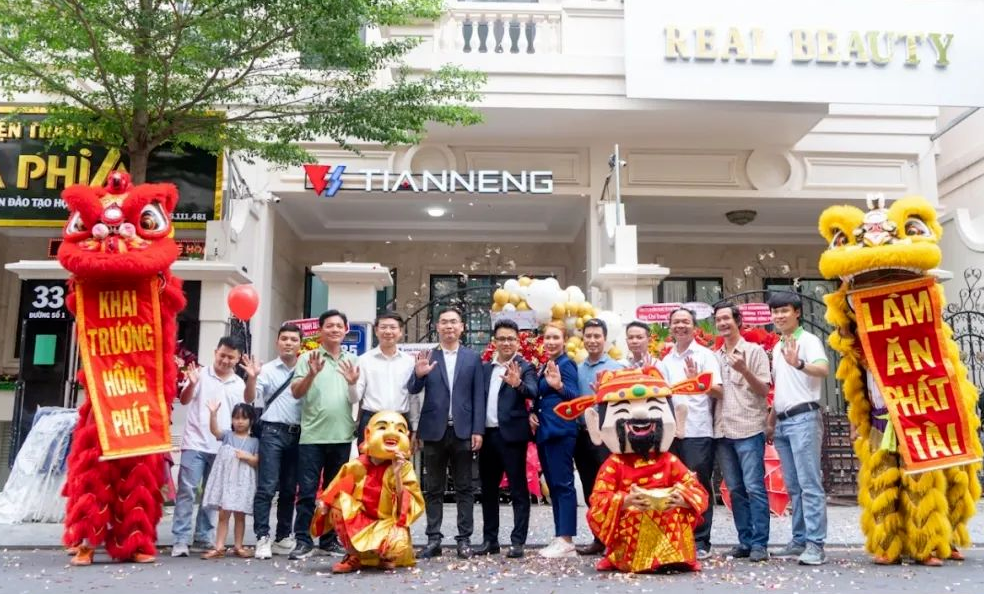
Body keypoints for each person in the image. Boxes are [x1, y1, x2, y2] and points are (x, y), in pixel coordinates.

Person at [553, 366, 713, 573]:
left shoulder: (669, 460)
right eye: (622, 410)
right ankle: (641, 559)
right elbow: (598, 502)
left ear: (678, 419)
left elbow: (696, 489)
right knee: (637, 514)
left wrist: (682, 498)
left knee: (674, 510)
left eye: (653, 407)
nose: (640, 413)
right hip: (630, 523)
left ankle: (672, 558)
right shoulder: (614, 464)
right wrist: (625, 501)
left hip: (668, 519)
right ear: (596, 426)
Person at [407, 307, 486, 560]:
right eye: (444, 322)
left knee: (465, 487)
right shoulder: (428, 355)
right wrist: (418, 375)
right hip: (434, 430)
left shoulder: (472, 358)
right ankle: (433, 539)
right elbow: (413, 388)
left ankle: (464, 540)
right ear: (437, 326)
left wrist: (478, 429)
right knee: (433, 488)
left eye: (453, 322)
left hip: (463, 430)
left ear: (462, 327)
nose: (449, 326)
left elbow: (479, 396)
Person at [311, 411, 425, 574]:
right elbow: (334, 491)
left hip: (387, 523)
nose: (392, 433)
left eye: (400, 430)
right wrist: (324, 506)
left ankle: (387, 556)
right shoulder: (356, 466)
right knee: (338, 503)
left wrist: (398, 474)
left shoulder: (404, 468)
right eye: (382, 427)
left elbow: (405, 509)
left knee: (398, 539)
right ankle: (353, 555)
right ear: (368, 434)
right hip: (360, 521)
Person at [288, 310, 358, 560]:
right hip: (313, 436)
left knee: (335, 494)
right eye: (329, 325)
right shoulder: (307, 358)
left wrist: (352, 383)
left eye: (339, 325)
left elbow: (356, 398)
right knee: (307, 492)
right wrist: (311, 374)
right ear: (320, 330)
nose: (335, 329)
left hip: (342, 436)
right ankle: (303, 540)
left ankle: (329, 540)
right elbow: (296, 393)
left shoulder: (352, 360)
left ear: (345, 330)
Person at [171, 336, 250, 558]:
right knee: (187, 490)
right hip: (195, 443)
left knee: (212, 494)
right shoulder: (200, 374)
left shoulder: (239, 384)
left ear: (237, 359)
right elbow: (184, 400)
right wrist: (192, 383)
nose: (225, 360)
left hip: (222, 447)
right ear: (215, 352)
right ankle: (180, 539)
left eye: (230, 357)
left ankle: (203, 536)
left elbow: (241, 417)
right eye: (222, 355)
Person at [767, 292, 830, 566]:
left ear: (797, 312)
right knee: (794, 486)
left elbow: (823, 369)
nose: (779, 316)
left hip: (804, 418)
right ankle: (800, 539)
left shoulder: (809, 340)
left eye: (784, 310)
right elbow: (781, 388)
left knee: (809, 484)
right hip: (782, 422)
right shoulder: (777, 346)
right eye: (775, 312)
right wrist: (771, 421)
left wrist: (800, 363)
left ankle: (816, 545)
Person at [660, 308, 722, 560]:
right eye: (676, 322)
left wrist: (699, 381)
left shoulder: (706, 356)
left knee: (697, 485)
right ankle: (679, 537)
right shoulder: (666, 360)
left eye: (685, 321)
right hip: (672, 433)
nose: (680, 326)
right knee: (673, 487)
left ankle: (701, 540)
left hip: (698, 430)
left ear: (694, 327)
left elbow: (719, 391)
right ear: (670, 327)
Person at [712, 302, 772, 562]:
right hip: (722, 430)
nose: (723, 323)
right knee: (735, 489)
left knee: (754, 487)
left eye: (727, 318)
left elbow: (764, 390)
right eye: (718, 319)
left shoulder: (754, 352)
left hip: (749, 428)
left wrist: (745, 371)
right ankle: (745, 541)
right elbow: (716, 393)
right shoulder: (714, 357)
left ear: (738, 321)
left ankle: (760, 543)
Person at [475, 319, 538, 559]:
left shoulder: (525, 366)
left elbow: (533, 391)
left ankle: (517, 541)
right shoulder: (485, 368)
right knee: (488, 490)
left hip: (512, 437)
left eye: (511, 339)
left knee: (518, 490)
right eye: (501, 338)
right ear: (494, 342)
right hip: (488, 435)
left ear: (518, 342)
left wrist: (518, 383)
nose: (506, 343)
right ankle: (490, 540)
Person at [243, 323, 302, 560]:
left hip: (299, 433)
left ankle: (283, 536)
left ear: (300, 344)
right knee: (267, 487)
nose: (288, 343)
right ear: (277, 342)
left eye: (293, 339)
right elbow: (249, 397)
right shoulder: (266, 369)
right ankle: (262, 537)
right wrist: (252, 378)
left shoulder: (307, 368)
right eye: (284, 338)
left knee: (289, 488)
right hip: (272, 432)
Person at [574, 318, 625, 555]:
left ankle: (616, 539)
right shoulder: (577, 369)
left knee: (612, 488)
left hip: (607, 438)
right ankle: (599, 537)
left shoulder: (617, 368)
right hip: (582, 436)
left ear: (605, 339)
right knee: (590, 489)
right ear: (582, 339)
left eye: (597, 336)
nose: (592, 340)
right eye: (589, 336)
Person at [531, 321, 581, 558]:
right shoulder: (546, 365)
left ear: (565, 340)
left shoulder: (567, 364)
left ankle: (567, 539)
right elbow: (541, 398)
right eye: (547, 338)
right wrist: (533, 412)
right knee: (553, 485)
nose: (551, 342)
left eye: (555, 338)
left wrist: (559, 386)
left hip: (561, 431)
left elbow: (575, 397)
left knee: (563, 485)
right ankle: (560, 535)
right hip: (545, 431)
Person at [341, 313, 418, 446]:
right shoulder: (364, 360)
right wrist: (351, 384)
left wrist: (415, 427)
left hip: (400, 421)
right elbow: (354, 398)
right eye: (383, 327)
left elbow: (413, 398)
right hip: (372, 420)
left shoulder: (409, 361)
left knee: (399, 460)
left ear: (400, 331)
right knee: (368, 459)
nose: (388, 331)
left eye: (393, 327)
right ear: (376, 331)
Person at [200, 402, 259, 559]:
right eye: (236, 418)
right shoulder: (227, 436)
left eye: (244, 418)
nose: (240, 421)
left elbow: (256, 461)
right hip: (226, 481)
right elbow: (215, 431)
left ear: (251, 420)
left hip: (242, 482)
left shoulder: (254, 441)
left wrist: (246, 456)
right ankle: (219, 546)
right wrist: (213, 414)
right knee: (223, 514)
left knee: (240, 515)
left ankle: (238, 546)